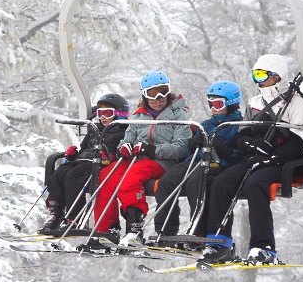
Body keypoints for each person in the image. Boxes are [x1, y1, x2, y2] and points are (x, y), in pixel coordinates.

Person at [201, 54, 303, 264]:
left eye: (262, 75)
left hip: (283, 161)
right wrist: (250, 145)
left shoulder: (297, 104)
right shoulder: (255, 102)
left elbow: (298, 143)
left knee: (255, 184)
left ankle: (263, 247)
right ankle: (219, 243)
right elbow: (243, 134)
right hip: (254, 157)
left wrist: (271, 158)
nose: (258, 81)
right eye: (255, 75)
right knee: (222, 181)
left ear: (278, 76)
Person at [93, 71, 192, 245]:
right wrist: (123, 148)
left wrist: (152, 150)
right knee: (106, 176)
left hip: (163, 161)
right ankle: (106, 230)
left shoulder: (178, 114)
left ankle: (135, 227)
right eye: (152, 94)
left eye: (162, 92)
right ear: (144, 95)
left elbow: (181, 147)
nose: (158, 99)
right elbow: (127, 138)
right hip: (137, 159)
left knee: (130, 178)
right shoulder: (139, 116)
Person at [152, 80, 244, 239]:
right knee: (167, 180)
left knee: (196, 181)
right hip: (195, 161)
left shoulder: (238, 126)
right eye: (211, 103)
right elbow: (190, 148)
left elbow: (239, 155)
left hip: (217, 164)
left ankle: (199, 231)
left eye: (218, 104)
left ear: (232, 103)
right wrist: (193, 143)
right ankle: (166, 231)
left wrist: (223, 149)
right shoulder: (207, 125)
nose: (213, 108)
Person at [39, 93, 129, 233]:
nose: (103, 118)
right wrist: (74, 153)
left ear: (120, 114)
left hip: (100, 164)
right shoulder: (94, 130)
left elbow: (120, 152)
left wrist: (110, 155)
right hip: (84, 161)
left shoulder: (122, 132)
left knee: (73, 176)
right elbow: (84, 148)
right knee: (59, 173)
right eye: (100, 113)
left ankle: (76, 217)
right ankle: (56, 212)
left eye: (107, 113)